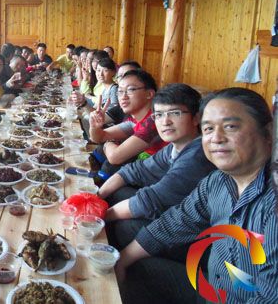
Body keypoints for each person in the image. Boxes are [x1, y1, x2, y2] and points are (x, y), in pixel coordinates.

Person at [116, 88, 278, 304]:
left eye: (230, 126)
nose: (216, 138)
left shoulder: (273, 203)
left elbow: (268, 297)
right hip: (213, 287)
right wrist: (122, 260)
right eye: (208, 128)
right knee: (134, 269)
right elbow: (176, 222)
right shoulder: (217, 182)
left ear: (268, 132)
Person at [98, 84, 215, 249]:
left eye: (175, 113)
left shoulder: (198, 155)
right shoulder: (175, 146)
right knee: (119, 193)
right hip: (174, 213)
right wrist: (98, 196)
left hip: (200, 238)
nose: (165, 121)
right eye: (159, 115)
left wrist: (99, 217)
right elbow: (136, 170)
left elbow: (152, 200)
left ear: (196, 118)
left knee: (126, 228)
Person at [89, 70, 167, 176]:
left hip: (158, 177)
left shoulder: (155, 120)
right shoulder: (133, 120)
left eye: (130, 89)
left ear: (149, 94)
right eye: (120, 91)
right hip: (144, 170)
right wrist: (94, 127)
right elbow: (99, 137)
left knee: (112, 167)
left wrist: (108, 143)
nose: (123, 96)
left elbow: (115, 157)